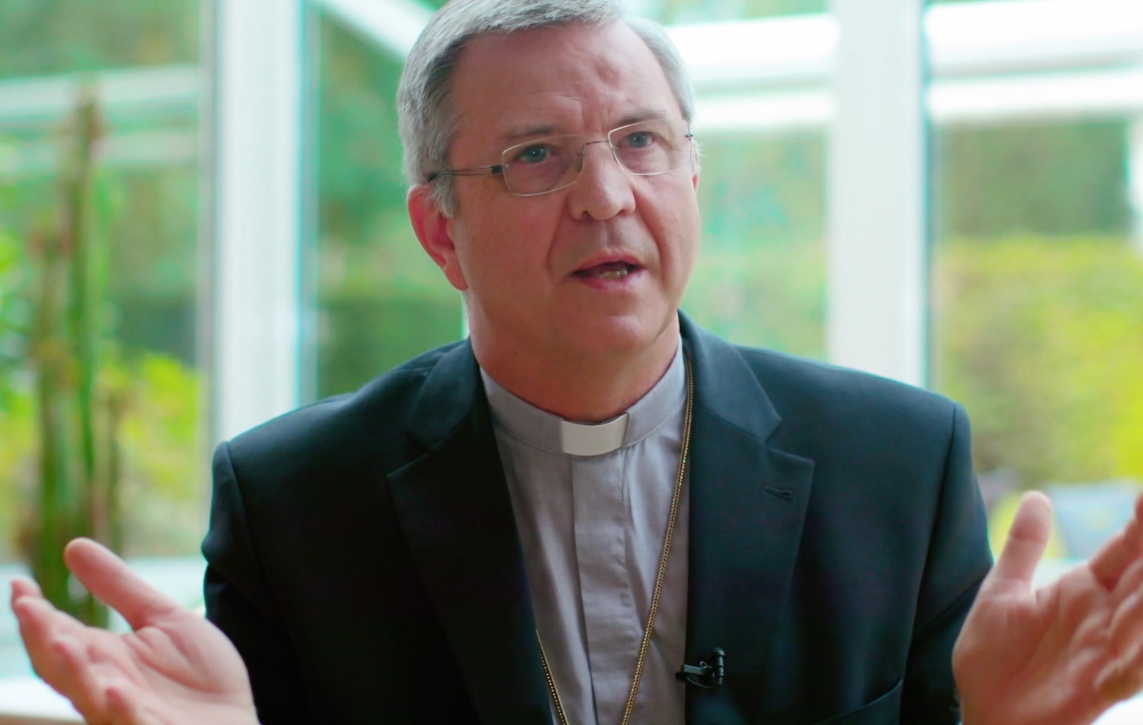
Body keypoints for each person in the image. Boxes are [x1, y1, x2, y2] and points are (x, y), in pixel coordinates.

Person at [10, 1, 1143, 723]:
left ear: (693, 177)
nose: (608, 197)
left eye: (642, 142)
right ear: (440, 231)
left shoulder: (897, 462)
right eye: (538, 155)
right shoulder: (298, 500)